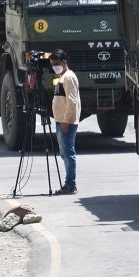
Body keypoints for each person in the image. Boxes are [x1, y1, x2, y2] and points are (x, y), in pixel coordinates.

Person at [50, 49, 81, 195]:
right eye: (53, 64)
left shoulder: (68, 78)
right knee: (64, 154)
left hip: (66, 122)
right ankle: (69, 183)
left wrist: (66, 121)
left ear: (64, 62)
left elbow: (72, 102)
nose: (55, 66)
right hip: (61, 120)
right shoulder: (62, 77)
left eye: (57, 63)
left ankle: (70, 184)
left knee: (68, 154)